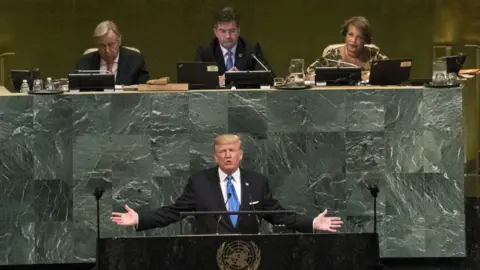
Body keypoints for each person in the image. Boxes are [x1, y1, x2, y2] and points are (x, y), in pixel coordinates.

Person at [111, 134, 343, 234]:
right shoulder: (200, 182)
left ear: (241, 154)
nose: (228, 155)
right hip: (209, 255)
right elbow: (174, 212)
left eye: (232, 151)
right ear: (215, 156)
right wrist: (140, 219)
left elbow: (278, 214)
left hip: (250, 254)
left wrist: (311, 222)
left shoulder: (257, 181)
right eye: (223, 151)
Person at [195, 7, 273, 88]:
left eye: (232, 31)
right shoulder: (205, 52)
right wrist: (220, 80)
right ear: (215, 32)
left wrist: (241, 77)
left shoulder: (251, 50)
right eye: (223, 31)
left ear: (238, 31)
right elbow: (195, 82)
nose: (228, 36)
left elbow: (270, 78)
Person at [306, 16, 388, 81]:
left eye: (359, 37)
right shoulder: (334, 55)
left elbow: (391, 71)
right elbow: (309, 72)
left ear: (365, 40)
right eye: (350, 35)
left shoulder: (373, 55)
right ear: (345, 35)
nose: (353, 40)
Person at [75, 20, 150, 85]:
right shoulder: (84, 63)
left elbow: (143, 91)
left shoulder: (136, 61)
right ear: (96, 44)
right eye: (102, 46)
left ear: (119, 41)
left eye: (111, 45)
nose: (107, 50)